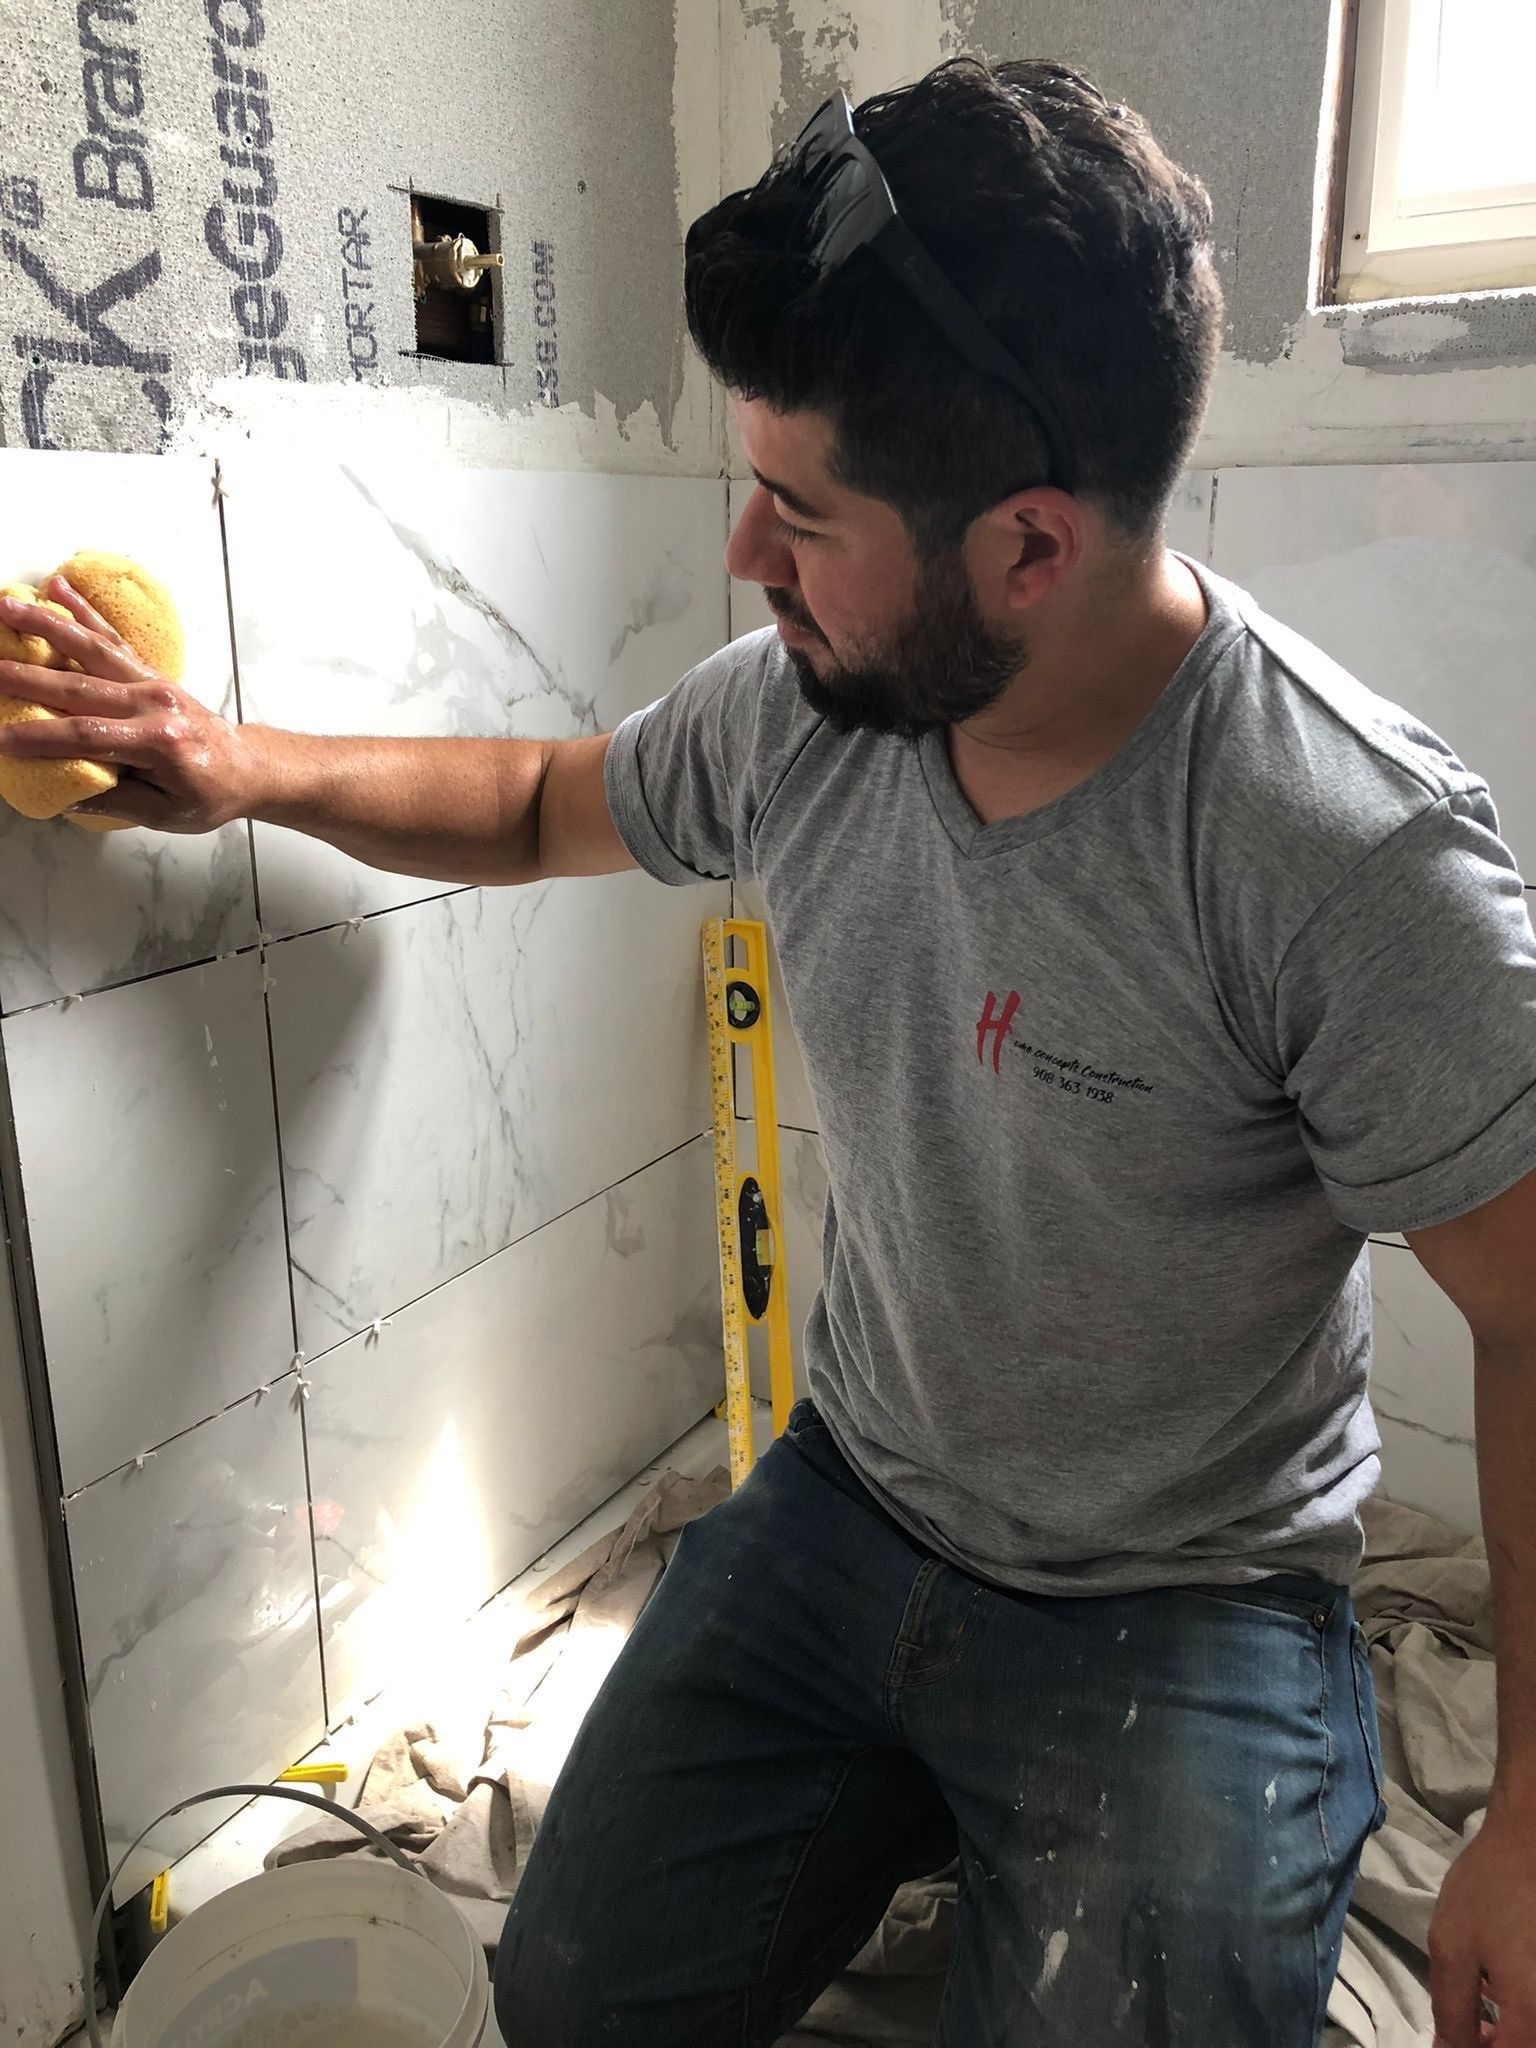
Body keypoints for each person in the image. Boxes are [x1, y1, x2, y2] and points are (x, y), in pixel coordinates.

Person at [1, 56, 1533, 2048]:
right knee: (567, 2001)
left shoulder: (1344, 851)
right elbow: (548, 795)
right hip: (850, 1503)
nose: (744, 557)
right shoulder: (816, 707)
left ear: (1031, 548)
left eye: (800, 512)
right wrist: (234, 768)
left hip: (1189, 1599)